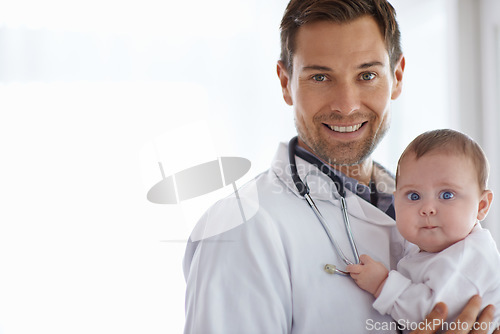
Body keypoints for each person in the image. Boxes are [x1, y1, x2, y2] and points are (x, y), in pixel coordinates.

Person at [183, 1, 497, 333]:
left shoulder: (423, 201)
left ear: (398, 76)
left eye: (367, 75)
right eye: (320, 76)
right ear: (285, 81)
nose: (346, 105)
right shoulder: (240, 228)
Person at [346, 129, 500, 333]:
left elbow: (435, 314)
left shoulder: (468, 256)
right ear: (396, 200)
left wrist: (382, 285)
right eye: (413, 196)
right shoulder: (437, 250)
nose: (427, 208)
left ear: (481, 206)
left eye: (446, 195)